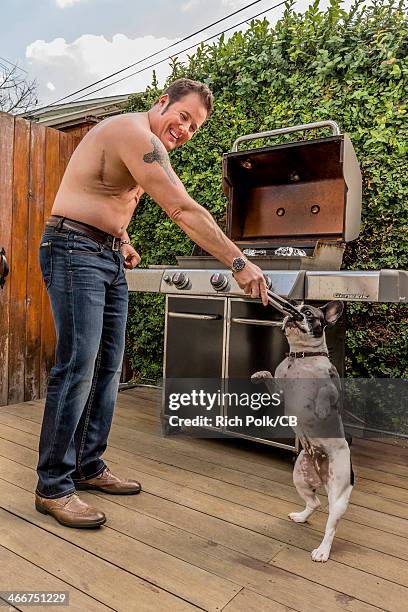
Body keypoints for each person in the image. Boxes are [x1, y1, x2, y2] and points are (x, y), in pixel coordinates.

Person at [36, 78, 268, 528]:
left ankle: (88, 465)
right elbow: (182, 209)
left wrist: (120, 238)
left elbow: (103, 192)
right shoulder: (134, 134)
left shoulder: (146, 144)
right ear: (163, 103)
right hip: (72, 249)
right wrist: (239, 263)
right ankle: (53, 486)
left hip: (102, 252)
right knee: (77, 365)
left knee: (107, 366)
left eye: (194, 128)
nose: (185, 130)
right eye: (183, 117)